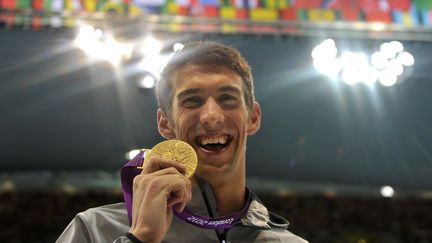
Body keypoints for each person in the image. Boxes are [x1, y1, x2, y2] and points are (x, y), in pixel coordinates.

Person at [57, 41, 308, 243]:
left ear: (253, 118)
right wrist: (140, 238)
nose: (211, 116)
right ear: (165, 123)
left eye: (227, 98)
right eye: (192, 101)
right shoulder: (95, 230)